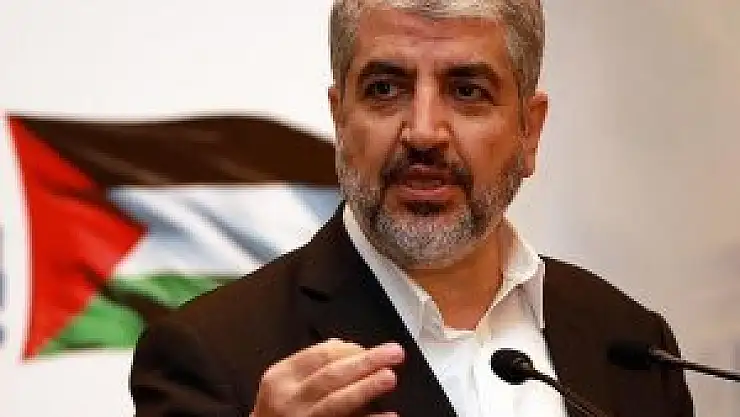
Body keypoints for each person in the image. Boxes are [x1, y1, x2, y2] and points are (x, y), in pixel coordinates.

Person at [129, 1, 694, 416]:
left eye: (467, 91)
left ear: (530, 131)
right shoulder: (210, 355)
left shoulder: (630, 345)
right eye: (385, 88)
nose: (423, 132)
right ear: (340, 120)